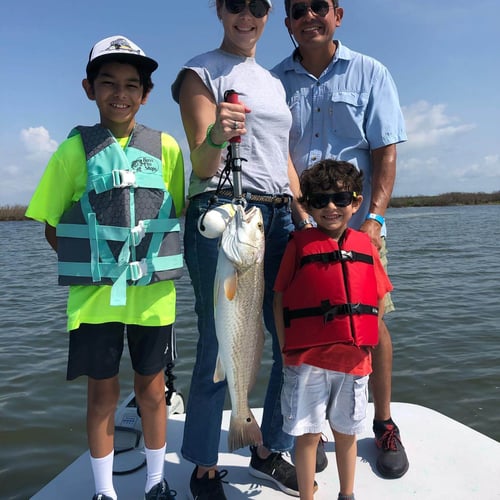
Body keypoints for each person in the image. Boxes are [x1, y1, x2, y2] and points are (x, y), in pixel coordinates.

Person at [170, 1, 323, 498]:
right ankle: (203, 463)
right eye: (236, 4)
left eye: (258, 6)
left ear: (267, 14)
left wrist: (302, 211)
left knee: (286, 339)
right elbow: (202, 162)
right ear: (219, 10)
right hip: (225, 212)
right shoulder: (200, 72)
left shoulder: (274, 83)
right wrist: (219, 132)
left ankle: (267, 445)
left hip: (276, 216)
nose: (247, 15)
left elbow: (282, 159)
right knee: (219, 340)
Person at [25, 35, 185, 500]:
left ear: (146, 94)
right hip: (94, 300)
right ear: (88, 88)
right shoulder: (73, 152)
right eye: (108, 82)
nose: (121, 93)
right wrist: (97, 262)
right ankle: (103, 492)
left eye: (132, 85)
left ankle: (157, 483)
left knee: (154, 393)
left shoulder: (168, 149)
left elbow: (175, 210)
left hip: (154, 298)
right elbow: (52, 225)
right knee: (102, 397)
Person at [272, 0, 409, 478]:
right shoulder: (274, 82)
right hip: (297, 222)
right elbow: (274, 152)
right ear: (287, 22)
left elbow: (385, 149)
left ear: (338, 14)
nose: (310, 15)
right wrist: (297, 210)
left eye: (319, 6)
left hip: (358, 222)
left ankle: (383, 422)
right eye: (298, 9)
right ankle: (315, 425)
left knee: (372, 321)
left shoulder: (371, 72)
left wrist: (375, 218)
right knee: (298, 320)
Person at [274, 159, 393, 500]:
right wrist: (286, 352)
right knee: (307, 434)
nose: (331, 208)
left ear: (356, 203)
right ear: (308, 203)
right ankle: (307, 495)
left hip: (354, 363)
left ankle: (347, 493)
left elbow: (379, 297)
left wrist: (367, 341)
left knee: (346, 432)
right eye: (321, 200)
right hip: (306, 361)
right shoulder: (299, 245)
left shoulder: (365, 246)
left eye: (341, 200)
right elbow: (279, 299)